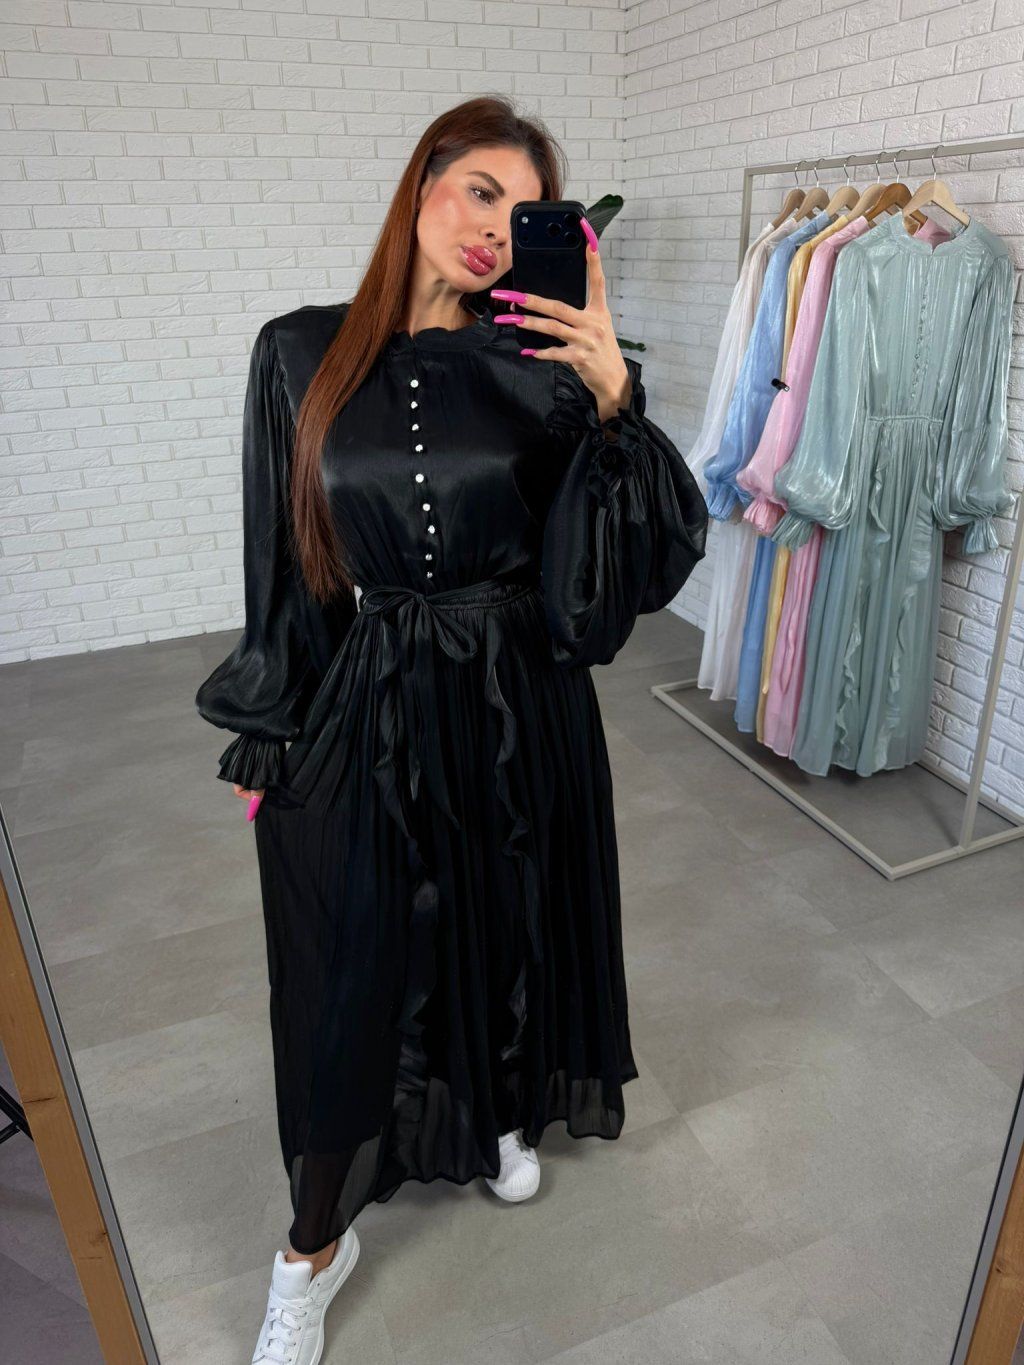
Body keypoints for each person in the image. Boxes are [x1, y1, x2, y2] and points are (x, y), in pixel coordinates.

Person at [194, 93, 708, 1365]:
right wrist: (275, 726)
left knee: (506, 915)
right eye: (480, 190)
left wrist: (615, 402)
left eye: (524, 210)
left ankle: (495, 1120)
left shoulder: (543, 371)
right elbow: (288, 565)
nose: (492, 228)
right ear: (421, 183)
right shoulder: (298, 353)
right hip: (372, 690)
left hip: (523, 695)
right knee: (349, 966)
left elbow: (621, 580)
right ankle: (311, 1250)